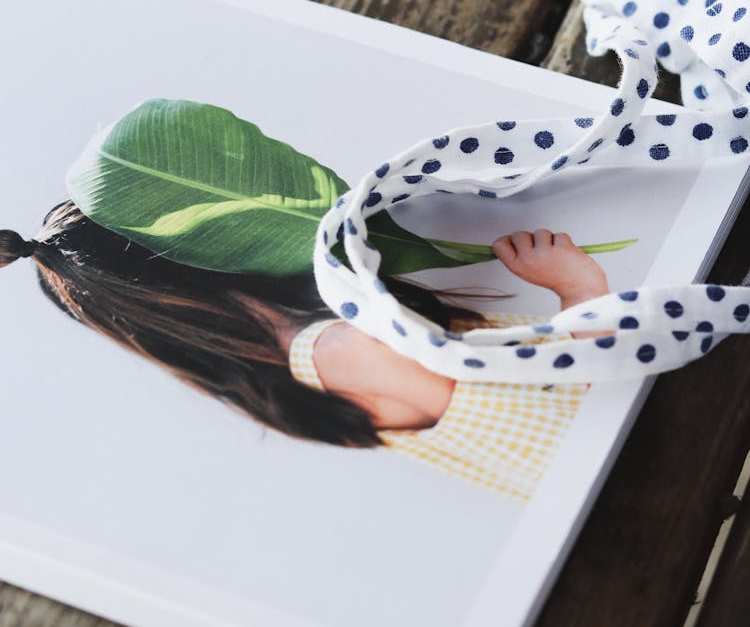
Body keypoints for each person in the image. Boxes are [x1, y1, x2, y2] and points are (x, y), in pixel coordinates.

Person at [0, 202, 609, 501]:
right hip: (627, 452)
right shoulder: (344, 346)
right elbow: (572, 402)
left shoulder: (317, 355)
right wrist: (577, 289)